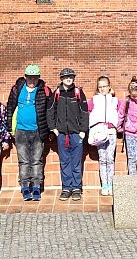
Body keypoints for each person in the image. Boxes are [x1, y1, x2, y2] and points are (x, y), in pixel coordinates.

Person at [6, 64, 52, 201]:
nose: (32, 80)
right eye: (30, 77)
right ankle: (25, 186)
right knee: (24, 161)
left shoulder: (44, 90)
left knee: (37, 160)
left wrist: (49, 130)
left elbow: (49, 111)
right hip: (21, 131)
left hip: (38, 130)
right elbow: (10, 107)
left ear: (38, 77)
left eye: (35, 77)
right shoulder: (17, 89)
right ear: (25, 77)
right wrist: (9, 127)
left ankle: (37, 186)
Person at [48, 67, 89, 201]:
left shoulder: (78, 93)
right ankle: (66, 188)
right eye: (66, 77)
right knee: (65, 162)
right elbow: (50, 111)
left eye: (71, 77)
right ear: (61, 79)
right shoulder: (57, 93)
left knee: (76, 162)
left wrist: (83, 130)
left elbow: (84, 112)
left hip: (76, 134)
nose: (68, 79)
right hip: (61, 134)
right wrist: (53, 128)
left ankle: (77, 187)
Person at [87, 75, 120, 196]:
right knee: (102, 159)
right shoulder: (94, 99)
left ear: (109, 87)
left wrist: (116, 125)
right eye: (100, 87)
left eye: (104, 86)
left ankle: (111, 184)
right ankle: (104, 185)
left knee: (110, 159)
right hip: (99, 132)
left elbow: (119, 114)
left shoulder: (114, 100)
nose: (102, 89)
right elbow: (89, 113)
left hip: (111, 132)